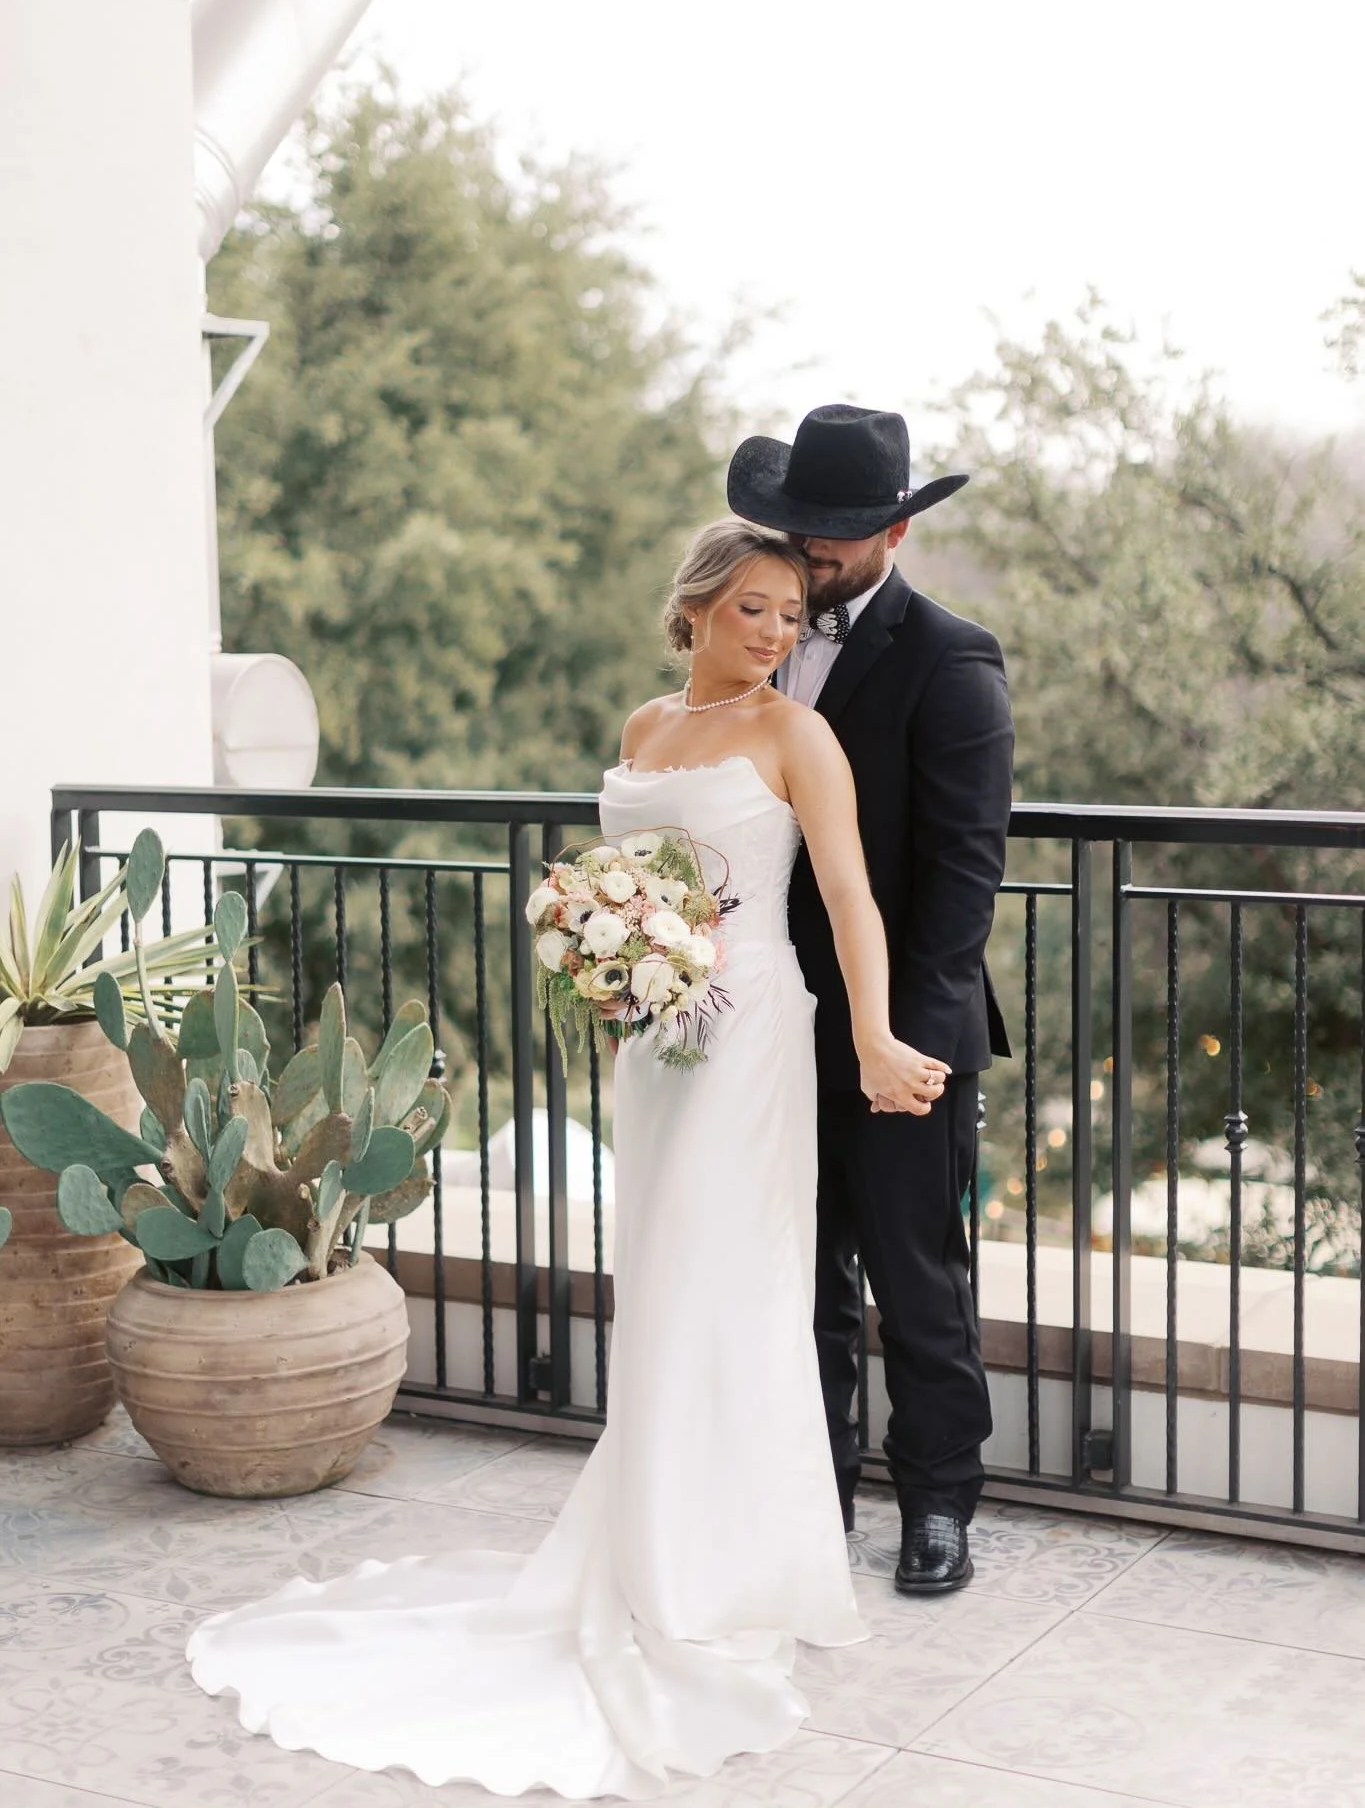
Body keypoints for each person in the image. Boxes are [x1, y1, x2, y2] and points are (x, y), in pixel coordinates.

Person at [185, 517, 953, 1800]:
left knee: (731, 1280)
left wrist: (875, 1034)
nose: (776, 633)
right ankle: (662, 1538)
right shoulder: (646, 727)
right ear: (695, 609)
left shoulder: (797, 736)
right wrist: (609, 961)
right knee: (659, 1278)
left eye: (791, 613)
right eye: (754, 609)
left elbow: (849, 896)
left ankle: (726, 1565)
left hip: (750, 1031)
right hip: (655, 1038)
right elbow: (628, 880)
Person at [727, 403, 1014, 1595]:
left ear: (895, 530)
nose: (812, 548)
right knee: (804, 1283)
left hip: (901, 1039)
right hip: (770, 1027)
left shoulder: (953, 658)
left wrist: (894, 1040)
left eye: (838, 530)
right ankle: (819, 1496)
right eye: (801, 524)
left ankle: (938, 1505)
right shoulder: (756, 638)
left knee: (918, 1284)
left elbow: (962, 879)